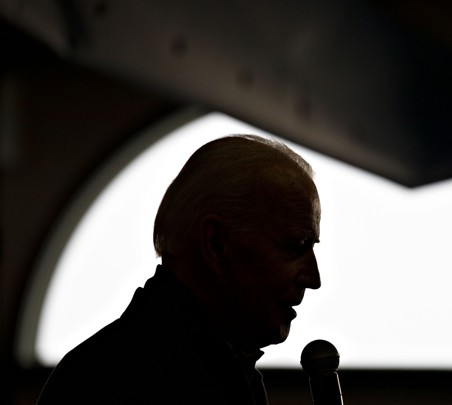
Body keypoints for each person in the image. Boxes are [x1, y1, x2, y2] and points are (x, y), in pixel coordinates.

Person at [37, 135, 322, 404]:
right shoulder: (111, 383)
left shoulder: (223, 372)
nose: (314, 278)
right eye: (296, 246)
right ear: (216, 243)